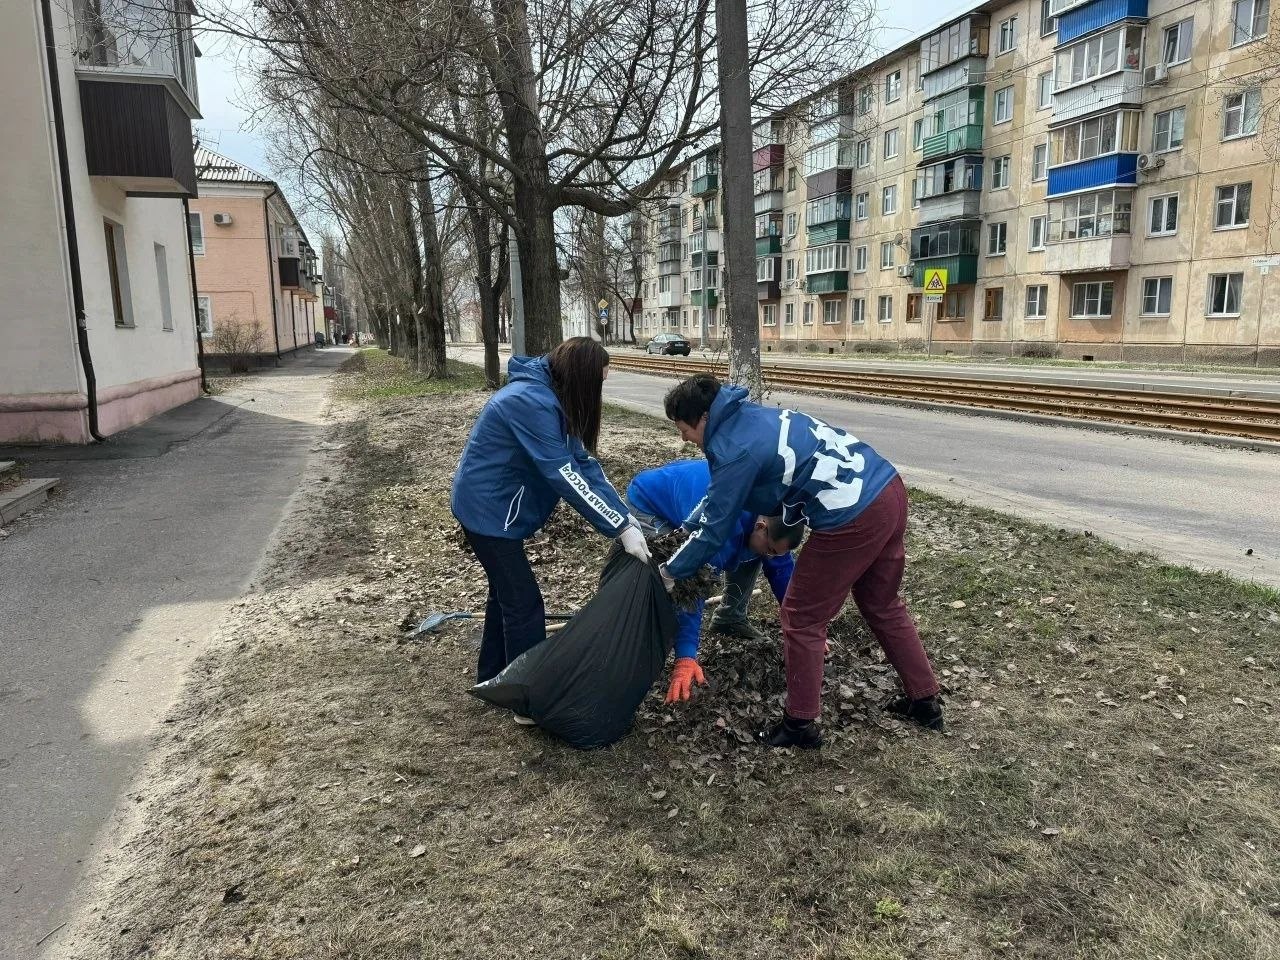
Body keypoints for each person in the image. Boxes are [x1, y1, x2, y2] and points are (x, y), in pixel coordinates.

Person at [659, 374, 943, 749]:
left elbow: (714, 531)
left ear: (702, 419)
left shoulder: (734, 449)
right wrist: (685, 530)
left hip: (851, 515)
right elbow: (715, 503)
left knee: (801, 616)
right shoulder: (752, 418)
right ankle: (925, 700)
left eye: (682, 429)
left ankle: (800, 725)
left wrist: (669, 572)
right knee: (881, 603)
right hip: (887, 488)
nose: (683, 439)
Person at [451, 338, 652, 707]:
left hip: (497, 510)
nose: (598, 393)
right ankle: (525, 696)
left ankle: (493, 679)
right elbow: (563, 474)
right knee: (524, 605)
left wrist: (625, 518)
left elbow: (585, 465)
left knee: (506, 598)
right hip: (487, 513)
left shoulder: (552, 398)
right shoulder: (530, 403)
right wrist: (617, 528)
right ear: (580, 378)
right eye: (598, 384)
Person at [626, 459, 799, 703]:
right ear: (760, 526)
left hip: (699, 500)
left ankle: (730, 618)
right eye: (771, 547)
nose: (772, 555)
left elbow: (781, 567)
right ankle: (644, 630)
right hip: (651, 504)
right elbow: (691, 585)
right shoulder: (721, 530)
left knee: (757, 553)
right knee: (666, 572)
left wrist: (801, 625)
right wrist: (686, 656)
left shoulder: (771, 512)